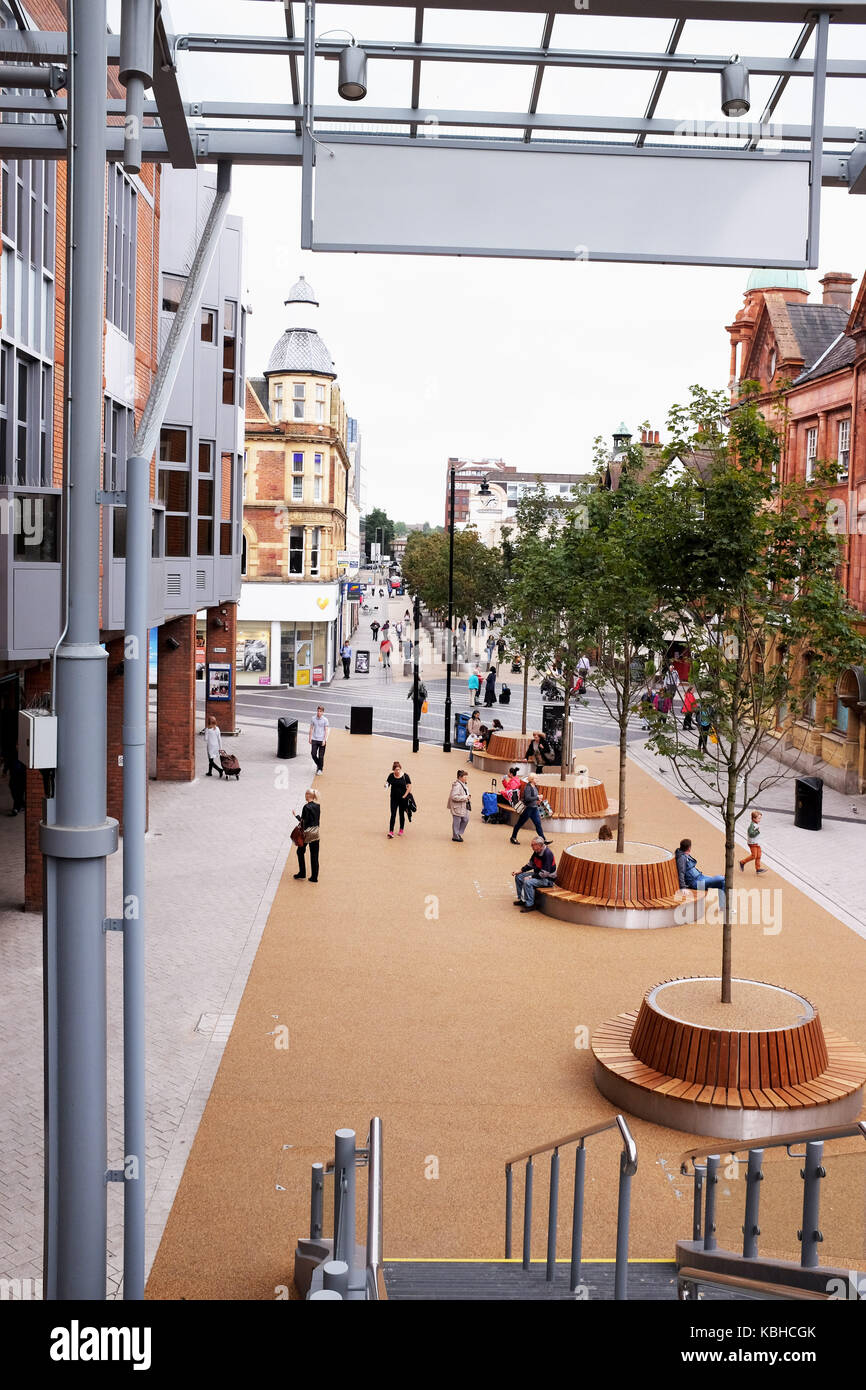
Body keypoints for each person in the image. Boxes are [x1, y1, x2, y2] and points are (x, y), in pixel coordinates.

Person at [675, 838, 726, 911]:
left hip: (700, 877)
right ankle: (722, 877)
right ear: (689, 848)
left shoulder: (684, 854)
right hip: (696, 883)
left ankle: (723, 907)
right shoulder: (682, 858)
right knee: (721, 879)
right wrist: (683, 887)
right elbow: (681, 873)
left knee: (723, 883)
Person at [512, 836, 557, 913]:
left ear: (539, 845)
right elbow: (531, 864)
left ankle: (530, 905)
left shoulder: (547, 854)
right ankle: (522, 899)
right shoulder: (537, 851)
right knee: (519, 877)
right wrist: (520, 871)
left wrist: (530, 877)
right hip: (538, 874)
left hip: (547, 879)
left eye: (533, 844)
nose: (531, 846)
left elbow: (545, 873)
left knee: (528, 882)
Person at [509, 774, 551, 846]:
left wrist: (538, 800)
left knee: (538, 824)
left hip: (534, 808)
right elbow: (527, 798)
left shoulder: (535, 787)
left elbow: (533, 798)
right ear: (532, 779)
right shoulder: (528, 787)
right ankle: (513, 837)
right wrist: (537, 797)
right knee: (519, 823)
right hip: (528, 809)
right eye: (536, 778)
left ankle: (543, 840)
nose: (537, 780)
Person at [293, 788, 321, 882]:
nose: (305, 795)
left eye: (306, 794)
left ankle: (302, 872)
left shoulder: (306, 807)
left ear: (309, 795)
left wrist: (296, 816)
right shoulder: (318, 806)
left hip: (307, 834)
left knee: (300, 852)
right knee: (314, 855)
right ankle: (314, 877)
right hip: (316, 833)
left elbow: (304, 821)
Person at [386, 760, 413, 837]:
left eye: (398, 769)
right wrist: (386, 785)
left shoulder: (405, 776)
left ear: (400, 768)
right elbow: (388, 783)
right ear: (393, 770)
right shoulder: (391, 776)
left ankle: (401, 829)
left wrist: (405, 795)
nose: (397, 771)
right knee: (393, 814)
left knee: (401, 814)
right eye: (396, 770)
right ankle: (391, 831)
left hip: (402, 798)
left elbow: (409, 786)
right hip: (393, 798)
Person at [447, 768, 471, 842]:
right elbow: (453, 797)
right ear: (460, 777)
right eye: (465, 777)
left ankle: (458, 833)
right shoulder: (457, 785)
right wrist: (465, 797)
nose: (466, 778)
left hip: (463, 805)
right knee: (457, 821)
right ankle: (456, 835)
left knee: (465, 819)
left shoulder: (463, 784)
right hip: (457, 806)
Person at [4, 748, 26, 815]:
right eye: (17, 745)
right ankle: (22, 804)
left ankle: (16, 808)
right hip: (13, 775)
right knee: (13, 789)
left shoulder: (24, 753)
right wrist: (4, 771)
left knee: (19, 792)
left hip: (22, 776)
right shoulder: (12, 753)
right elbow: (8, 762)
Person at [309, 705, 329, 774]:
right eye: (318, 711)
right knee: (313, 754)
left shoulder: (325, 720)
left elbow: (326, 731)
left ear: (323, 712)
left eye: (320, 711)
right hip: (314, 739)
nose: (318, 712)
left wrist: (324, 740)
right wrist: (310, 738)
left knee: (321, 756)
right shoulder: (313, 718)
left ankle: (320, 769)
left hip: (322, 740)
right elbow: (311, 728)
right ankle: (319, 765)